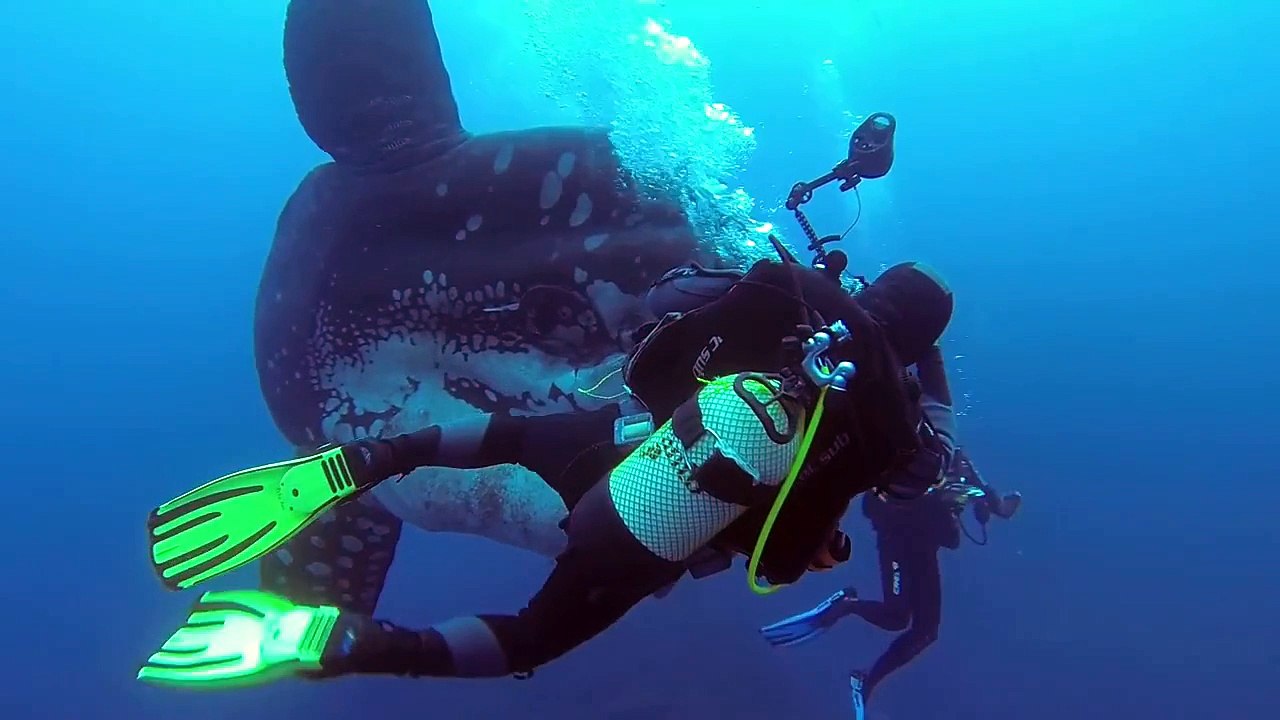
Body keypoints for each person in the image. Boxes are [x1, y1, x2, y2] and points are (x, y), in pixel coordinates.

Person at [138, 257, 955, 689]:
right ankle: (336, 640)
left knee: (506, 434)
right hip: (650, 541)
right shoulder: (887, 426)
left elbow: (663, 335)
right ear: (919, 348)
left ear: (872, 288)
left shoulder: (791, 286)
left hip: (625, 443)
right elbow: (778, 556)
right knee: (531, 638)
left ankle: (361, 461)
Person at [759, 345, 1021, 718]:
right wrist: (942, 497)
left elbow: (992, 498)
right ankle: (844, 606)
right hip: (898, 536)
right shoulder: (905, 439)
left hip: (924, 545)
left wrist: (990, 503)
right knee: (897, 614)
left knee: (926, 631)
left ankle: (866, 681)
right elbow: (887, 492)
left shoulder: (954, 454)